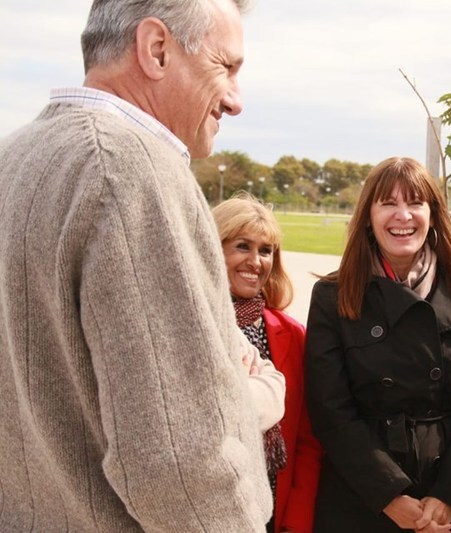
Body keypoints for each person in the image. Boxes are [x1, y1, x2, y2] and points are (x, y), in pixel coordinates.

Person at [0, 1, 281, 531]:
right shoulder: (130, 170)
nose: (235, 100)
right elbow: (181, 457)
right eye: (226, 66)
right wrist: (256, 397)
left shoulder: (15, 156)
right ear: (156, 50)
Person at [305, 157, 451, 532]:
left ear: (432, 214)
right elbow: (330, 410)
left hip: (447, 494)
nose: (403, 216)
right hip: (363, 496)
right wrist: (389, 496)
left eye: (414, 203)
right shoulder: (332, 296)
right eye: (388, 203)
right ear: (367, 216)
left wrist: (448, 497)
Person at [213, 193, 323, 533]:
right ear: (211, 248)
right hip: (207, 506)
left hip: (273, 509)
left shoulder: (293, 334)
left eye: (266, 250)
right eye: (242, 246)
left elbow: (308, 439)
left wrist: (296, 522)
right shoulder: (188, 327)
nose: (256, 261)